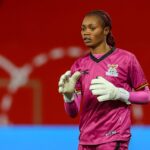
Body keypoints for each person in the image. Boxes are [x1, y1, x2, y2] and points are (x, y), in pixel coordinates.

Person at [58, 10, 150, 150]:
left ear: (106, 30)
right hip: (85, 141)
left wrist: (120, 94)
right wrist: (68, 97)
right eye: (83, 29)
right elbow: (72, 113)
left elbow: (146, 95)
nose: (85, 33)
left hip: (113, 138)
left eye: (92, 28)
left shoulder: (126, 59)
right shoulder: (79, 65)